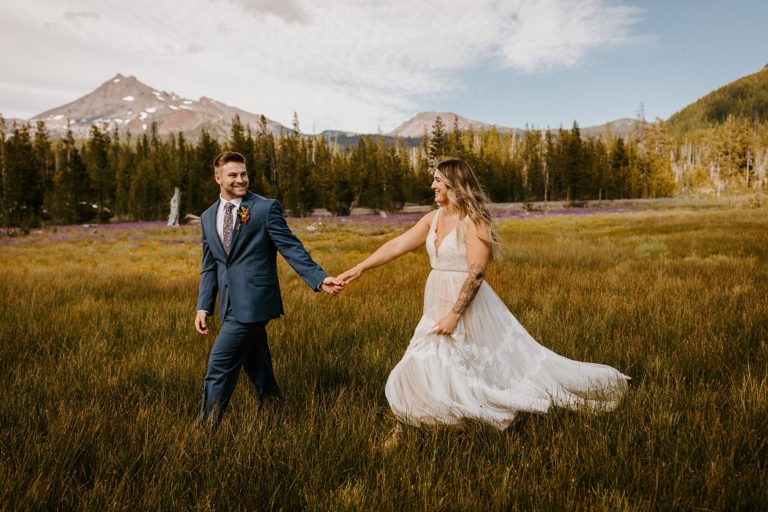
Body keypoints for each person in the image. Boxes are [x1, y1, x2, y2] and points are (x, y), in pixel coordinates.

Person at [339, 157, 629, 443]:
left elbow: (476, 273)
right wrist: (359, 268)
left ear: (455, 184)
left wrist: (454, 314)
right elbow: (397, 245)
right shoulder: (432, 219)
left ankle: (439, 425)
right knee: (424, 360)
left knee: (452, 362)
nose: (432, 186)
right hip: (435, 300)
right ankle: (418, 424)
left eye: (438, 180)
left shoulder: (474, 221)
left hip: (465, 304)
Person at [195, 151, 343, 427]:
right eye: (233, 175)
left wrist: (320, 278)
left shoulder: (264, 208)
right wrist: (204, 306)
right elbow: (210, 265)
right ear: (218, 178)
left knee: (218, 366)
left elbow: (291, 247)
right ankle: (276, 410)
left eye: (243, 174)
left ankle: (204, 430)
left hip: (255, 302)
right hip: (228, 304)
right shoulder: (207, 217)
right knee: (257, 364)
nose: (241, 180)